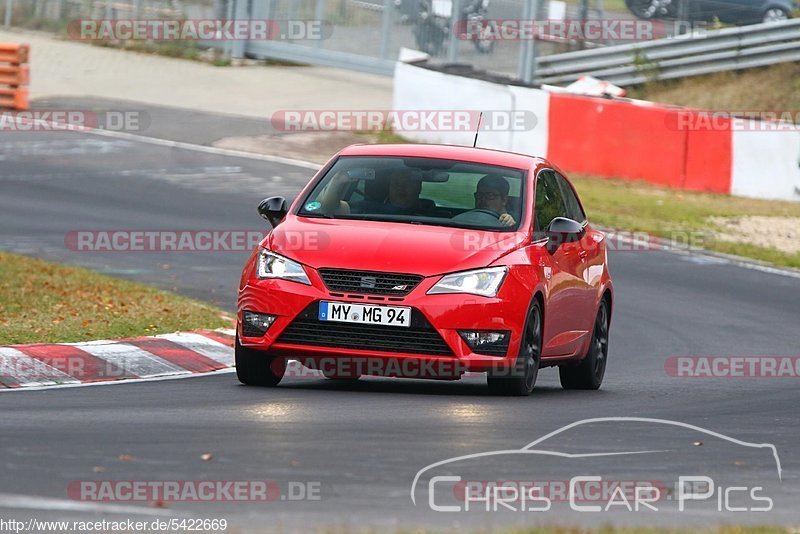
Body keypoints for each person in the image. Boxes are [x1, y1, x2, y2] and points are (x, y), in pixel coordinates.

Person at [319, 168, 431, 216]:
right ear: (389, 186)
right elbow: (329, 208)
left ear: (418, 188)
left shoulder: (433, 214)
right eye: (396, 183)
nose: (401, 188)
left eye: (407, 184)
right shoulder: (368, 208)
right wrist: (338, 180)